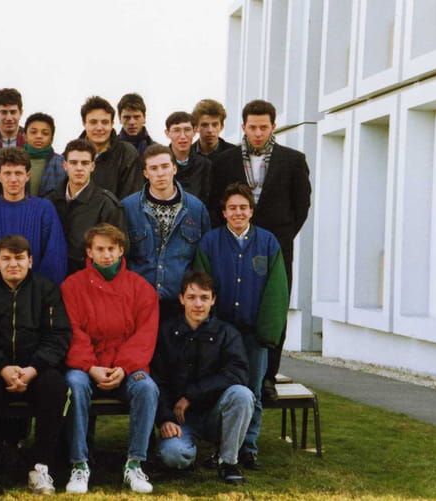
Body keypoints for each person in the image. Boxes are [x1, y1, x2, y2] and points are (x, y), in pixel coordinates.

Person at [209, 99, 311, 404]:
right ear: (243, 127)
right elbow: (216, 203)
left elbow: (301, 206)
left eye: (263, 127)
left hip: (276, 246)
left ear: (273, 126)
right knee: (230, 303)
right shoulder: (224, 162)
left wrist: (280, 238)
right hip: (233, 244)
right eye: (252, 127)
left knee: (274, 308)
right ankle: (230, 371)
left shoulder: (293, 160)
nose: (257, 133)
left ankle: (267, 377)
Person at [0, 235, 71, 498]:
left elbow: (58, 335)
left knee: (55, 385)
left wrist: (33, 369)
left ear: (30, 261)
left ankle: (40, 467)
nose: (13, 264)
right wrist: (2, 367)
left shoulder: (47, 290)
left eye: (19, 258)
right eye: (7, 259)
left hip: (35, 370)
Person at [195, 182, 289, 470]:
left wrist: (267, 332)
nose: (238, 212)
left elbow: (277, 290)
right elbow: (201, 284)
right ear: (224, 212)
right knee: (222, 390)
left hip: (253, 334)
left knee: (253, 391)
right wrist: (207, 327)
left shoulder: (268, 243)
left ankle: (248, 448)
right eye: (232, 208)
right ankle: (221, 446)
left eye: (243, 207)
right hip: (219, 334)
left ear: (252, 211)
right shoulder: (210, 242)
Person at [61, 223, 159, 494]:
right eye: (100, 249)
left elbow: (145, 335)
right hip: (86, 368)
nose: (106, 255)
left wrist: (123, 368)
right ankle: (79, 464)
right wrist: (90, 366)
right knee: (74, 385)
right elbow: (72, 332)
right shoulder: (72, 286)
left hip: (126, 368)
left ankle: (135, 463)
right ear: (89, 252)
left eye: (111, 249)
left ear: (121, 250)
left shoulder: (141, 288)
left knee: (147, 387)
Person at [152, 271, 254, 485]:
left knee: (242, 394)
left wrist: (192, 395)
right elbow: (157, 379)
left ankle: (228, 462)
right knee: (173, 457)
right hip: (180, 419)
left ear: (213, 300)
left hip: (215, 414)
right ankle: (187, 454)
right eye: (191, 297)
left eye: (204, 297)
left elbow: (238, 373)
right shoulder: (166, 332)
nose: (198, 304)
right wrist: (165, 418)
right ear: (181, 299)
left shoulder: (227, 333)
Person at [122, 144, 210, 319]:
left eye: (165, 166)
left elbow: (203, 258)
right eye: (153, 168)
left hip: (181, 304)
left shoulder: (196, 208)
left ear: (174, 168)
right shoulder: (127, 207)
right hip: (138, 301)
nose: (160, 173)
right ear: (145, 173)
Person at [0, 147, 66, 285]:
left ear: (27, 176)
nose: (13, 179)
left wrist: (39, 292)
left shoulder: (44, 209)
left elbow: (54, 257)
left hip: (35, 293)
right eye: (7, 173)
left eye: (18, 173)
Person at [45, 139, 126, 275]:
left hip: (89, 279)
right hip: (53, 276)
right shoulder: (50, 201)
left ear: (93, 166)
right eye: (73, 162)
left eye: (85, 163)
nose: (79, 168)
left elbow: (117, 250)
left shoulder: (106, 204)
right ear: (64, 165)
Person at [79, 96, 143, 199]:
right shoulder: (71, 155)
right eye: (93, 122)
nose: (99, 128)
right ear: (84, 123)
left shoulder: (127, 154)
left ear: (112, 124)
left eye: (105, 122)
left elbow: (131, 198)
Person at [164, 111, 211, 205]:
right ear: (167, 133)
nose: (182, 136)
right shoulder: (160, 163)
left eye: (187, 130)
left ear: (195, 131)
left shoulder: (205, 164)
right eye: (176, 130)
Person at [22, 112, 66, 197]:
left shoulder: (62, 164)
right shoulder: (13, 161)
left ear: (52, 138)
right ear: (25, 136)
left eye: (45, 133)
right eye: (33, 132)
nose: (39, 136)